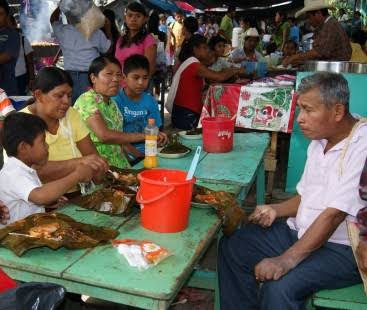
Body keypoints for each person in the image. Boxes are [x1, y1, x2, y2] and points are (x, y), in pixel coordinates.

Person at [218, 72, 366, 310]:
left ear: (337, 112)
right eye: (300, 109)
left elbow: (334, 215)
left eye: (308, 110)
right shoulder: (321, 139)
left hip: (343, 248)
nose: (300, 119)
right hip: (302, 232)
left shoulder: (362, 145)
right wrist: (276, 209)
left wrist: (285, 260)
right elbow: (307, 196)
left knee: (279, 288)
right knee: (234, 247)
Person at [22, 67, 108, 195]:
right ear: (38, 95)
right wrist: (80, 163)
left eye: (69, 95)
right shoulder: (20, 123)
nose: (66, 102)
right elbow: (30, 172)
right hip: (42, 200)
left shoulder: (71, 114)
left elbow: (91, 156)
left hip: (79, 193)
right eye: (59, 95)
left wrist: (99, 167)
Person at [0, 112, 94, 227]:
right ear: (23, 147)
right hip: (13, 240)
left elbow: (35, 198)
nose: (47, 146)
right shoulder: (13, 173)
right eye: (43, 141)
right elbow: (41, 196)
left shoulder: (25, 169)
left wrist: (49, 202)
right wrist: (77, 175)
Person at [75, 55, 157, 165]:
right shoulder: (87, 101)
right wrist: (146, 135)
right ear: (93, 78)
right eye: (109, 74)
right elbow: (105, 135)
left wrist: (140, 157)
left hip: (119, 165)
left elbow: (120, 140)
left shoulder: (111, 103)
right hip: (98, 168)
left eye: (118, 75)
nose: (115, 79)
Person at [167, 34, 243, 130]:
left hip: (183, 112)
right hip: (186, 114)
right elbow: (219, 77)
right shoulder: (194, 64)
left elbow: (214, 78)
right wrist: (235, 70)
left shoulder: (192, 62)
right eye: (204, 48)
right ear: (195, 49)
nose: (207, 51)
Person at [50, 7, 112, 104]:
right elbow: (108, 49)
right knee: (92, 107)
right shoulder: (95, 32)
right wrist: (108, 28)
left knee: (72, 108)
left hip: (69, 77)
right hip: (90, 77)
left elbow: (53, 20)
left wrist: (60, 6)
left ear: (68, 16)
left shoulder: (63, 30)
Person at [113, 54, 167, 157]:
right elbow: (116, 138)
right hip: (124, 154)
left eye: (145, 78)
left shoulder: (150, 101)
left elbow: (156, 131)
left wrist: (161, 138)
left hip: (150, 152)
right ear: (124, 78)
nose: (141, 82)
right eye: (136, 77)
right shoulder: (116, 101)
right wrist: (139, 156)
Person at [283, 1, 352, 66]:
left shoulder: (331, 25)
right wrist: (301, 61)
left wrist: (294, 57)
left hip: (336, 71)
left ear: (318, 13)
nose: (309, 21)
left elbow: (318, 52)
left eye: (309, 17)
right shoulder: (326, 25)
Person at [115, 2, 157, 80]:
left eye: (138, 16)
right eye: (130, 15)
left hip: (137, 88)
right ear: (125, 18)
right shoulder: (120, 40)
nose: (133, 19)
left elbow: (149, 70)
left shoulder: (148, 41)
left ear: (144, 19)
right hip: (119, 87)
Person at [8, 15, 35, 96]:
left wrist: (32, 79)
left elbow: (30, 61)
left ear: (14, 25)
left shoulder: (22, 39)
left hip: (20, 79)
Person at [0, 0, 20, 96]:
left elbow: (5, 57)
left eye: (1, 14)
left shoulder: (12, 35)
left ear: (7, 16)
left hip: (6, 90)